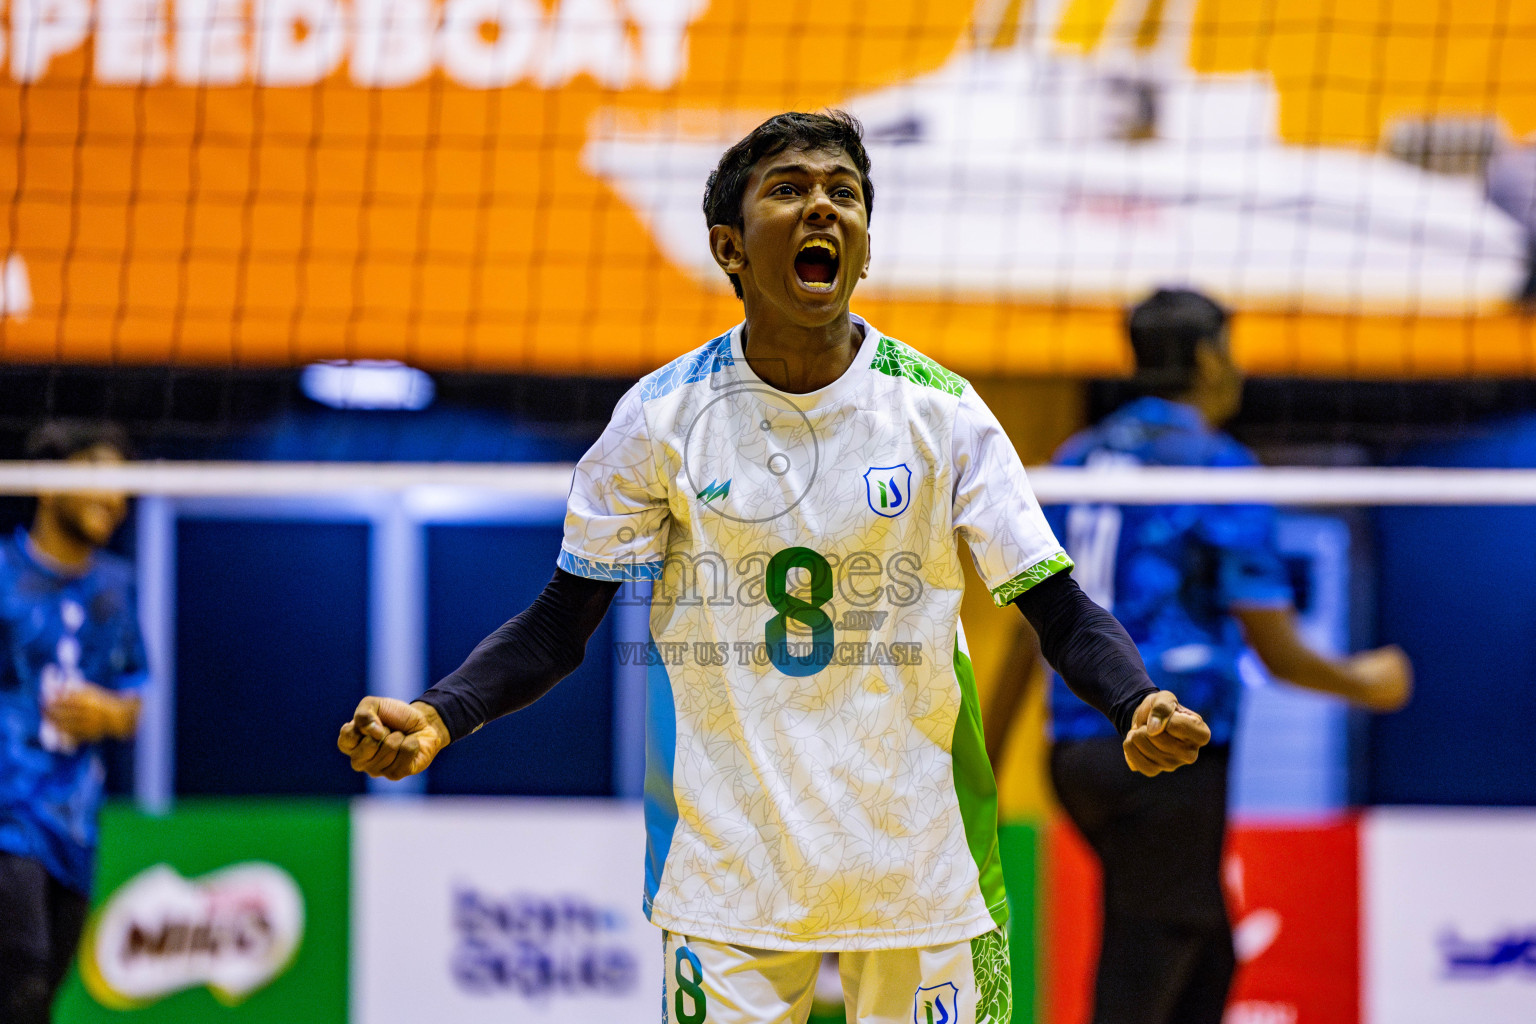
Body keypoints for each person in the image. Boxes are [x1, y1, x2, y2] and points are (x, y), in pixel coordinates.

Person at [339, 111, 1211, 1024]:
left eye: (845, 193)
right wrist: (443, 713)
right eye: (789, 190)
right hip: (729, 869)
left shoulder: (942, 412)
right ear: (729, 246)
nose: (822, 209)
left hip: (920, 858)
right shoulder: (661, 418)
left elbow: (1059, 608)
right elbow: (560, 625)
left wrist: (1132, 700)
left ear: (866, 247)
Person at [984, 288, 1412, 1024]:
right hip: (1166, 750)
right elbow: (1274, 650)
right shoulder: (1217, 466)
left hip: (1075, 756)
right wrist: (1362, 682)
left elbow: (1039, 625)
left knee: (1207, 949)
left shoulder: (1076, 459)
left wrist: (984, 760)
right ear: (1210, 359)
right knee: (1152, 949)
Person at [0, 421, 146, 1024]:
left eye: (122, 486)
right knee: (23, 979)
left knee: (43, 995)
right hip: (8, 820)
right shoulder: (4, 575)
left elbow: (135, 695)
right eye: (96, 477)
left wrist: (106, 712)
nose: (113, 498)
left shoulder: (115, 587)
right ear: (45, 481)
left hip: (75, 822)